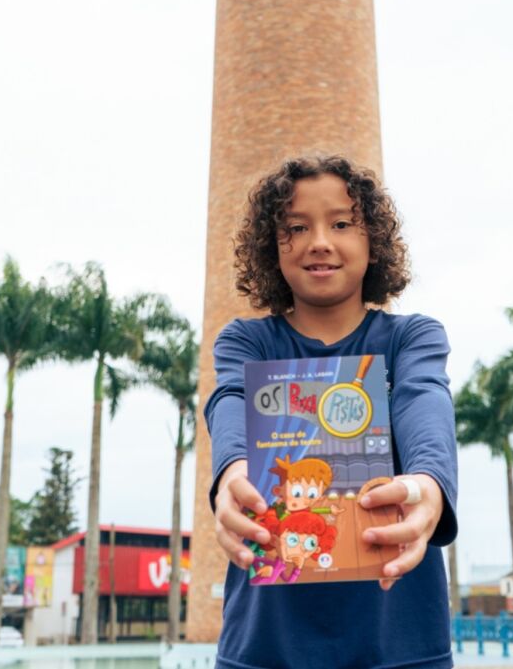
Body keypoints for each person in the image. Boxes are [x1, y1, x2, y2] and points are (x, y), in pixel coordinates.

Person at [207, 155, 458, 669]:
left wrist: (428, 484)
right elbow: (229, 402)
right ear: (271, 247)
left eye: (342, 224)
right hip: (265, 642)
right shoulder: (246, 341)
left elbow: (424, 399)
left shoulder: (412, 337)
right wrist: (231, 471)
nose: (319, 241)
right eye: (296, 227)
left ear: (375, 242)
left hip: (402, 641)